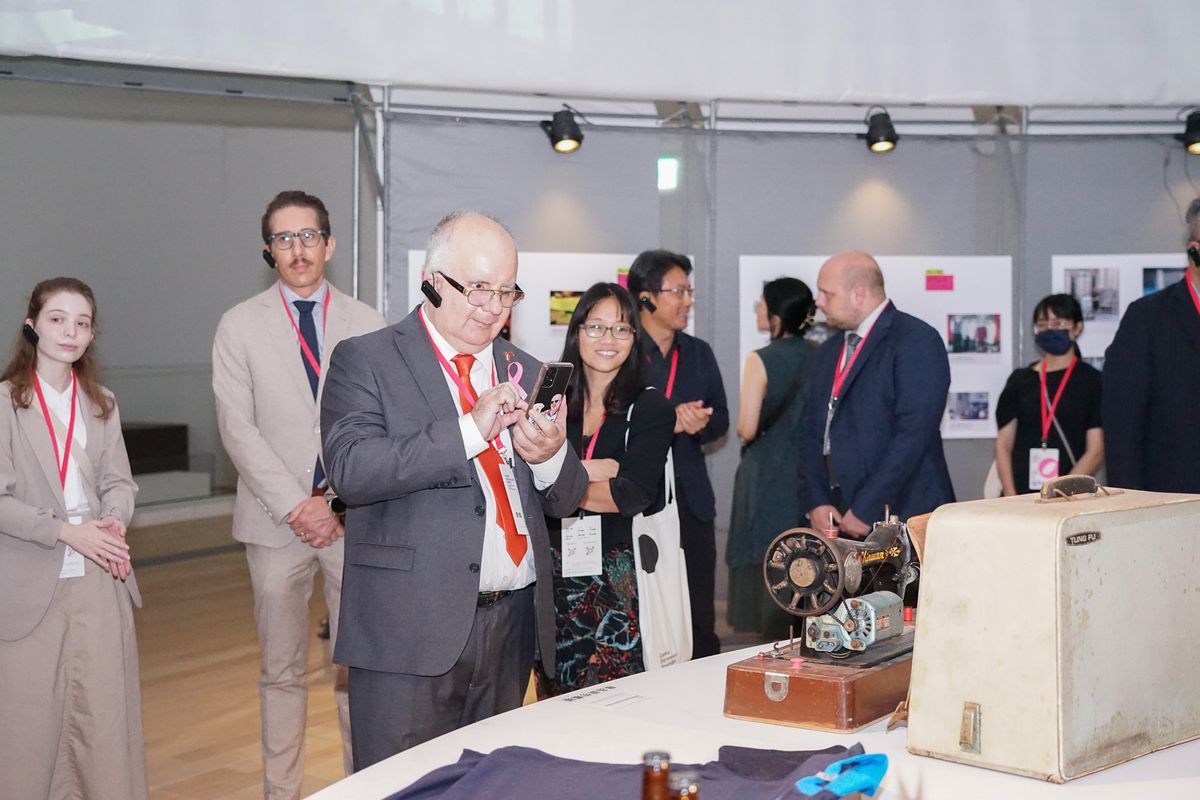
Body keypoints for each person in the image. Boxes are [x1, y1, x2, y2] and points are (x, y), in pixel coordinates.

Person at [319, 211, 588, 768]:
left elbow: (566, 499)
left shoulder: (525, 368)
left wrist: (549, 457)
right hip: (409, 630)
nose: (493, 307)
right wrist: (470, 430)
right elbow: (351, 469)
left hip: (512, 626)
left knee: (491, 783)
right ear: (434, 281)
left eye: (507, 292)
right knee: (404, 784)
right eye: (478, 289)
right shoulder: (366, 359)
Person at [212, 190, 385, 799]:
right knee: (280, 675)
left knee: (356, 672)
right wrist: (297, 506)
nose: (298, 249)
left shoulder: (366, 323)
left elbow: (379, 425)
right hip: (274, 525)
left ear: (329, 244)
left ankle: (363, 787)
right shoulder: (238, 325)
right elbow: (237, 429)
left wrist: (333, 501)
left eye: (308, 236)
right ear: (269, 251)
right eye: (284, 239)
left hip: (351, 520)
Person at [0, 278, 145, 799]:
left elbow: (119, 482)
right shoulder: (4, 403)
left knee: (103, 720)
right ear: (32, 325)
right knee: (27, 726)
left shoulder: (101, 401)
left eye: (82, 322)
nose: (70, 331)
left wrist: (113, 519)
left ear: (92, 335)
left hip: (99, 578)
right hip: (28, 581)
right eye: (58, 318)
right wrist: (66, 531)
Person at [538, 283, 674, 695]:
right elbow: (528, 477)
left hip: (619, 585)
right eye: (596, 327)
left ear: (635, 339)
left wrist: (562, 481)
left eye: (621, 329)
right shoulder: (551, 401)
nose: (608, 340)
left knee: (617, 704)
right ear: (576, 331)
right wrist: (596, 471)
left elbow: (632, 494)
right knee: (552, 699)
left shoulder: (650, 407)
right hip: (553, 575)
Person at [800, 251, 955, 538]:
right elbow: (811, 430)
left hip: (901, 514)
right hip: (839, 514)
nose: (819, 303)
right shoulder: (828, 351)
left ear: (859, 294)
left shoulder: (916, 340)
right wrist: (817, 499)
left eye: (826, 294)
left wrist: (867, 507)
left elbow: (914, 434)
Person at [628, 249, 729, 658]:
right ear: (647, 297)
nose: (687, 300)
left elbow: (721, 419)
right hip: (639, 499)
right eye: (678, 291)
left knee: (699, 609)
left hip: (691, 498)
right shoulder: (623, 350)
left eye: (690, 291)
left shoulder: (698, 351)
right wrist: (669, 419)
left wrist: (699, 421)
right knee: (648, 605)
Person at [726, 278, 815, 639]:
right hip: (809, 475)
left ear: (777, 314)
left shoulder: (760, 360)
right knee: (807, 556)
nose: (757, 310)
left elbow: (747, 428)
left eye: (761, 304)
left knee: (768, 554)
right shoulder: (823, 354)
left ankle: (772, 638)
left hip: (766, 473)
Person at [1103, 198, 1200, 492]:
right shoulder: (1147, 318)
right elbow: (1122, 426)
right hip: (1174, 499)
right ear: (1194, 250)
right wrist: (1128, 504)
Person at [995, 294, 1103, 495]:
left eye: (1058, 323)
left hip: (1071, 496)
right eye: (1042, 324)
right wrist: (1010, 497)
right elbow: (1003, 444)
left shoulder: (1093, 381)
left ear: (1077, 327)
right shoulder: (1020, 380)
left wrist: (1062, 494)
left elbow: (1096, 449)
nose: (1050, 330)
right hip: (1020, 495)